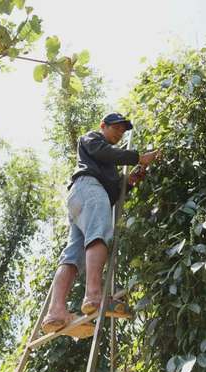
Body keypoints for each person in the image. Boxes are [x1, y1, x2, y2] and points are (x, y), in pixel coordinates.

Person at [41, 112, 161, 334]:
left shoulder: (107, 167)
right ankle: (94, 295)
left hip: (81, 199)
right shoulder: (91, 138)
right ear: (103, 126)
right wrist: (139, 157)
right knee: (99, 233)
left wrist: (129, 181)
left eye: (123, 131)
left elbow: (113, 192)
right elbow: (104, 153)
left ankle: (56, 311)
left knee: (72, 255)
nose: (120, 133)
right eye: (116, 128)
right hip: (88, 189)